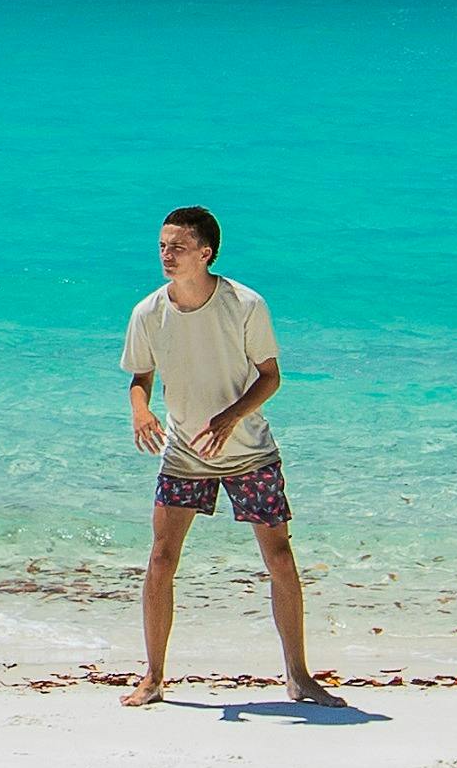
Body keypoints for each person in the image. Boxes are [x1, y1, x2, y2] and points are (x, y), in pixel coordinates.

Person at [126, 203, 326, 707]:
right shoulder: (148, 313)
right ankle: (153, 677)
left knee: (279, 557)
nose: (167, 255)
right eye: (162, 246)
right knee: (161, 559)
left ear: (205, 253)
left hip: (248, 451)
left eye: (178, 247)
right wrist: (141, 413)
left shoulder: (245, 304)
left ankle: (299, 676)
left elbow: (271, 377)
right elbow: (140, 378)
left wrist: (230, 417)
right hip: (184, 453)